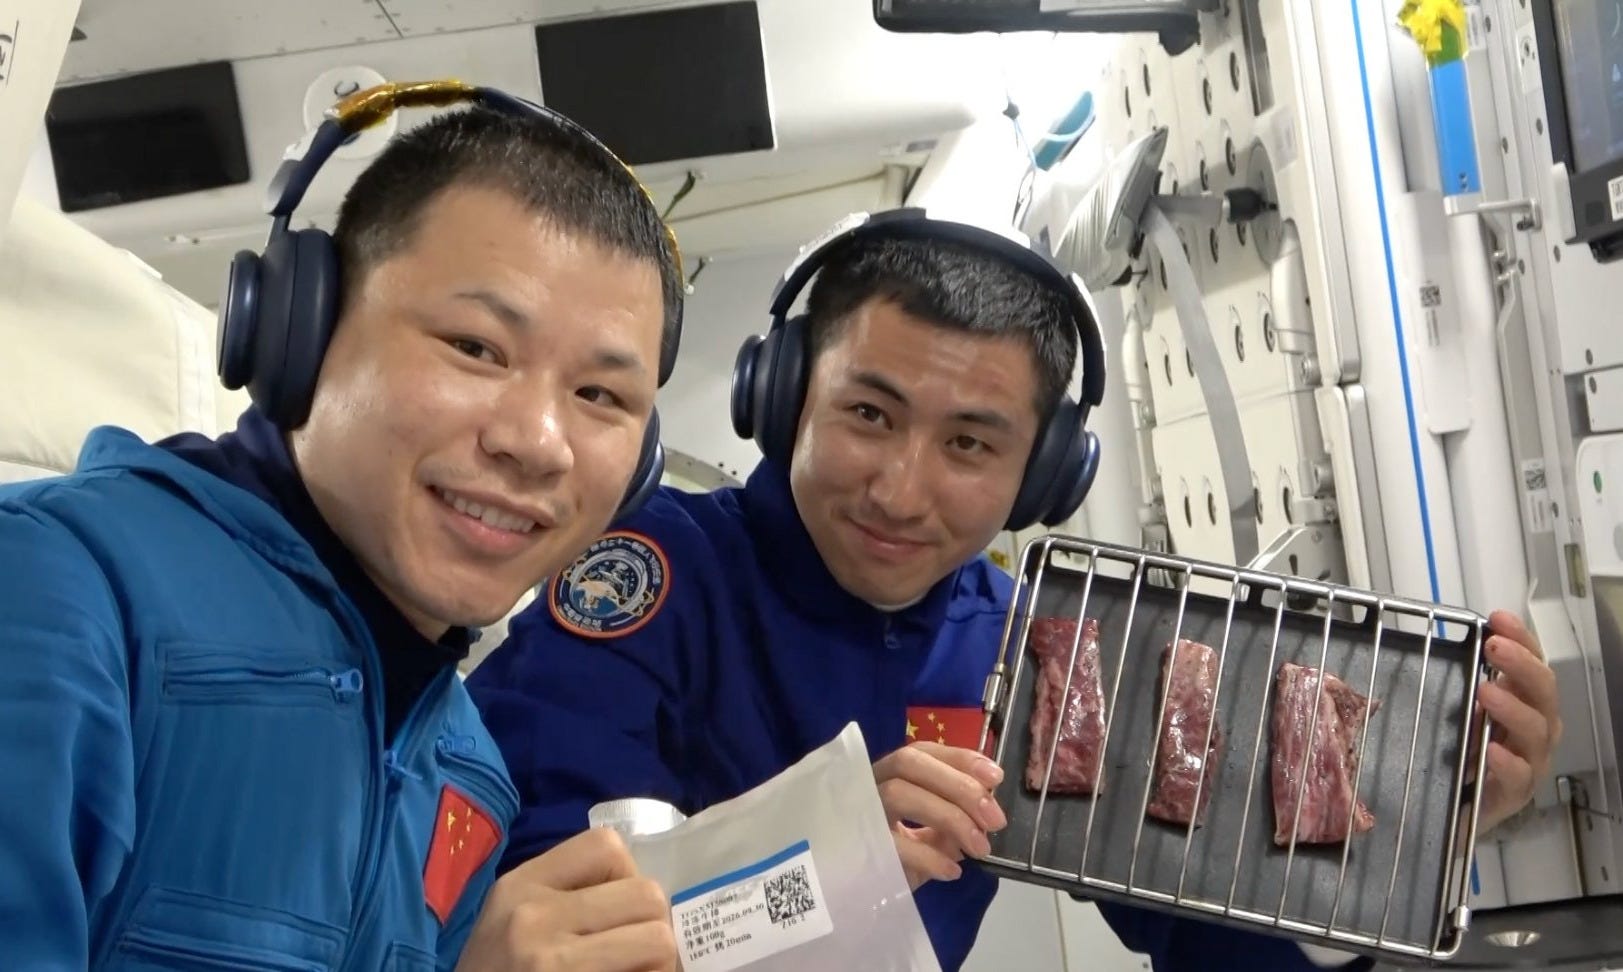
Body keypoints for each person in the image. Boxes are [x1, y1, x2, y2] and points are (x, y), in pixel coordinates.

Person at [467, 206, 1564, 971]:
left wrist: (1410, 844)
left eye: (972, 444)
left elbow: (1225, 946)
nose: (902, 490)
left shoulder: (1039, 656)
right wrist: (828, 845)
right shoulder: (652, 578)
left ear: (1044, 476)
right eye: (869, 414)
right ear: (784, 394)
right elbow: (534, 905)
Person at [0, 81, 685, 971]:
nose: (537, 443)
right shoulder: (57, 595)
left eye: (600, 395)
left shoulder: (467, 770)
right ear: (298, 328)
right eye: (476, 348)